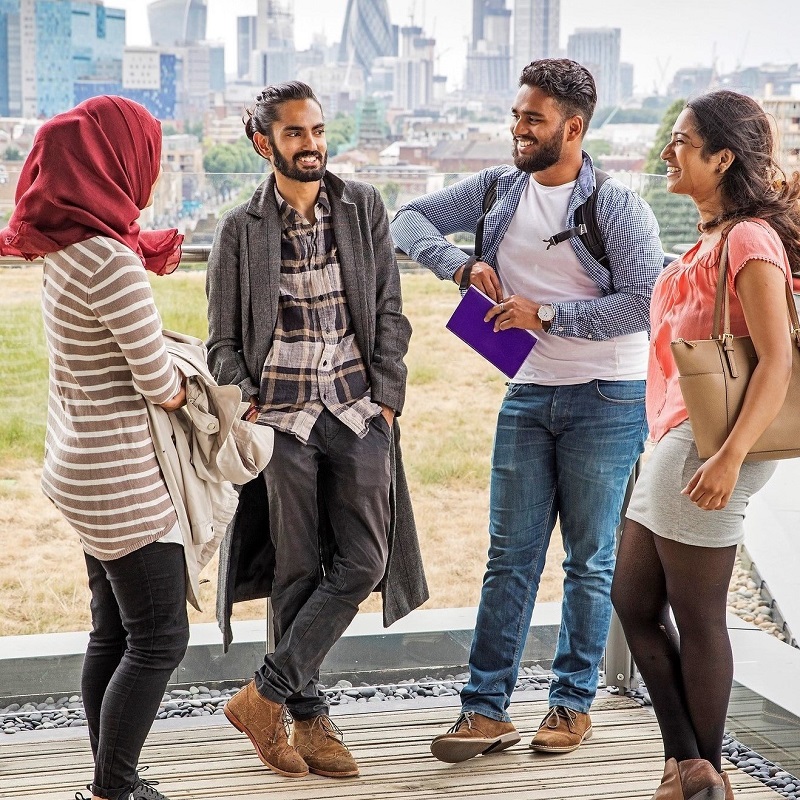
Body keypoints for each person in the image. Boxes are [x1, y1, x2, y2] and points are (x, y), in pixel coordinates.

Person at [392, 58, 663, 762]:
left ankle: (570, 705)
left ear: (572, 129)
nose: (517, 128)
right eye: (516, 115)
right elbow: (406, 219)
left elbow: (642, 302)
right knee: (508, 557)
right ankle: (485, 711)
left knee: (588, 560)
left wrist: (546, 314)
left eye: (532, 119)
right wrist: (456, 264)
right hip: (528, 392)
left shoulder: (617, 206)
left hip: (607, 394)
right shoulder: (498, 189)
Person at [206, 81, 427, 780]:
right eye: (296, 133)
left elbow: (392, 309)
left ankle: (261, 696)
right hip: (284, 420)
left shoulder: (362, 207)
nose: (312, 144)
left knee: (365, 559)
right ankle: (308, 717)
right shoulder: (242, 230)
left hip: (358, 410)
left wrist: (388, 394)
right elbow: (221, 342)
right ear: (263, 141)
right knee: (295, 568)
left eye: (318, 131)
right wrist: (245, 401)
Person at [611, 90, 798, 800]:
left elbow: (776, 359)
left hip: (709, 442)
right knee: (633, 602)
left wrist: (727, 457)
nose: (669, 151)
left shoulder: (750, 241)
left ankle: (701, 774)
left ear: (722, 158)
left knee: (696, 615)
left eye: (683, 142)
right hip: (677, 438)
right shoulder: (711, 238)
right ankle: (689, 766)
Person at [0, 97, 187, 800]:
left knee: (113, 628)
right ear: (115, 162)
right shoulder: (110, 258)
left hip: (80, 461)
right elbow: (158, 382)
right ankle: (113, 789)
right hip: (119, 475)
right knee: (159, 638)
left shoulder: (68, 247)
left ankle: (115, 778)